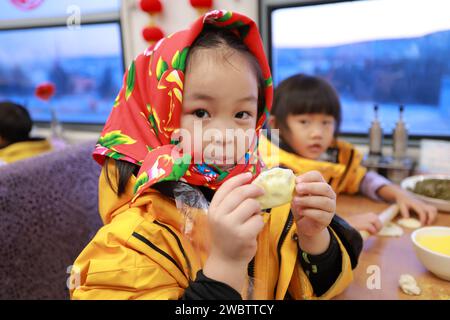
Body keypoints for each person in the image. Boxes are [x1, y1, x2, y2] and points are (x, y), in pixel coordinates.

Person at [70, 11, 362, 300]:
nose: (224, 133)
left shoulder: (267, 199)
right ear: (155, 116)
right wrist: (225, 263)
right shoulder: (133, 238)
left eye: (241, 114)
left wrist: (314, 240)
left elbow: (318, 287)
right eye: (201, 113)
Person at [261, 74, 437, 235]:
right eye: (304, 122)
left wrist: (398, 194)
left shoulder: (334, 155)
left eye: (326, 122)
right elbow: (278, 224)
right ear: (276, 125)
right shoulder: (273, 169)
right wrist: (342, 225)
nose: (317, 133)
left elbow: (360, 178)